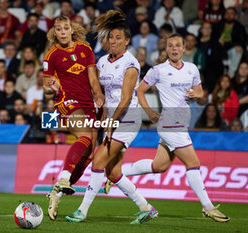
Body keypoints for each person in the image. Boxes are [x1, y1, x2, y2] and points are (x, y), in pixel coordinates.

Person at [114, 33, 230, 222]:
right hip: (169, 124)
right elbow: (139, 91)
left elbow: (200, 91)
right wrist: (150, 112)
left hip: (181, 124)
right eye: (170, 46)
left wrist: (196, 93)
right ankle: (208, 207)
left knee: (158, 166)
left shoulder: (192, 69)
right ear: (166, 49)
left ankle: (117, 174)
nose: (174, 49)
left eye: (177, 45)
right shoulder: (158, 70)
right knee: (193, 164)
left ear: (184, 48)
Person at [66, 10, 157, 224]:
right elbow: (104, 96)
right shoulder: (102, 63)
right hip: (111, 119)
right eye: (111, 37)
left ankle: (82, 210)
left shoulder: (131, 64)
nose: (113, 41)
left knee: (98, 160)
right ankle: (146, 207)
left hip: (128, 119)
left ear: (126, 41)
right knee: (112, 172)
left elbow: (125, 99)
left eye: (118, 38)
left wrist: (110, 124)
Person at [43, 15, 104, 221]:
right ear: (54, 32)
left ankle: (57, 193)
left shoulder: (85, 50)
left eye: (65, 28)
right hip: (66, 102)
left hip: (88, 104)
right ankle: (63, 178)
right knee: (85, 135)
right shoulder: (51, 56)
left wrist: (98, 95)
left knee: (88, 154)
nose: (62, 32)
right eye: (58, 29)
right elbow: (46, 86)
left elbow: (93, 77)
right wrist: (50, 89)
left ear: (71, 30)